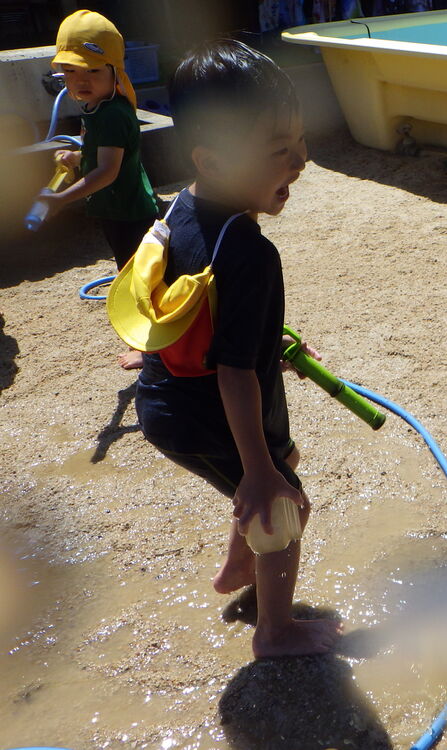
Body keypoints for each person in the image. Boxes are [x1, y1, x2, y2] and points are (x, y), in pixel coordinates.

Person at [130, 40, 339, 658]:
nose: (301, 162)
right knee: (281, 508)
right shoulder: (249, 251)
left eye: (300, 143)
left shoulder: (181, 211)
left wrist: (268, 348)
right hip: (210, 412)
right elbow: (234, 374)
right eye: (280, 152)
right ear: (215, 162)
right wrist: (258, 470)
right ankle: (275, 633)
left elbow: (186, 312)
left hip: (170, 398)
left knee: (284, 457)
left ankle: (235, 568)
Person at [35, 10, 159, 369]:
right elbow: (97, 153)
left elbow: (107, 171)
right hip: (117, 209)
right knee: (135, 274)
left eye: (93, 70)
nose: (81, 80)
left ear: (115, 73)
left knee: (139, 280)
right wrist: (77, 157)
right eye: (72, 71)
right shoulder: (96, 108)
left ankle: (150, 347)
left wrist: (60, 198)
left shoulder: (112, 115)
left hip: (130, 213)